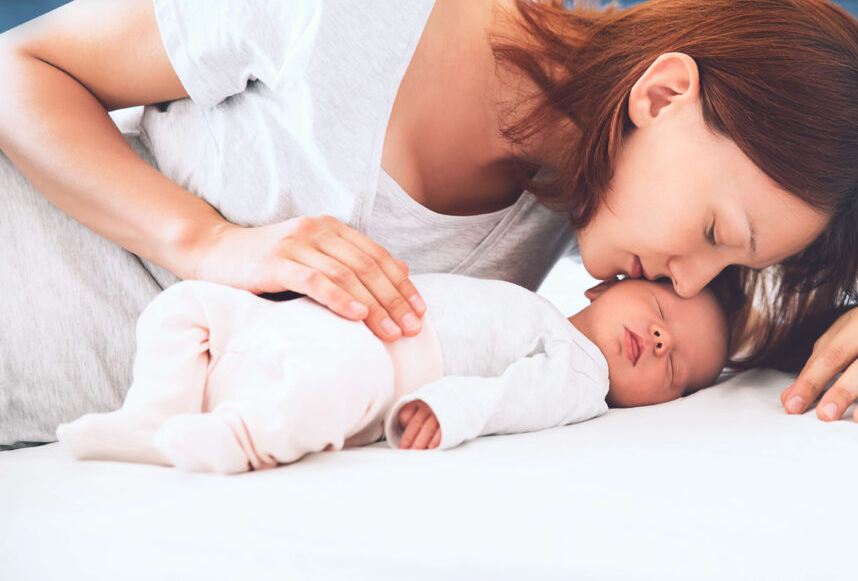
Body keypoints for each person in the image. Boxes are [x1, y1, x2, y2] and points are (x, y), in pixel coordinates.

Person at [0, 0, 858, 447]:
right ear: (664, 92)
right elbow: (20, 71)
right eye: (720, 235)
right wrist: (209, 242)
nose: (692, 277)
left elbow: (724, 332)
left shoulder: (569, 222)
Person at [55, 274, 729, 473]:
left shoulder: (582, 376)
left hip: (379, 362)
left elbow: (510, 398)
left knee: (337, 378)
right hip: (307, 322)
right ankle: (152, 414)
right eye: (661, 309)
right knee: (189, 303)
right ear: (603, 285)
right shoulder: (536, 302)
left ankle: (240, 438)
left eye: (679, 368)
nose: (662, 339)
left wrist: (445, 408)